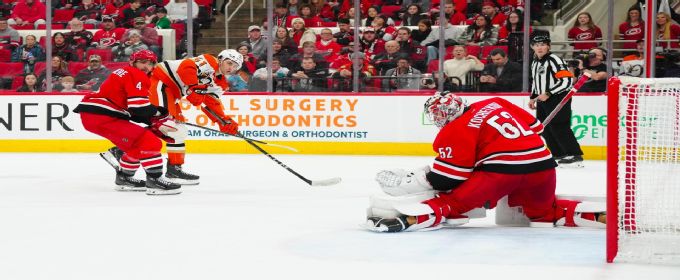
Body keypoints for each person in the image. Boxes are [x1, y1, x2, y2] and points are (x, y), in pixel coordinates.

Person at [365, 91, 604, 232]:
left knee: (451, 203)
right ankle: (601, 217)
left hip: (501, 174)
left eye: (437, 114)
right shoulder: (496, 101)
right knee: (544, 214)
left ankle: (407, 219)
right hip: (543, 167)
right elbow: (537, 127)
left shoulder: (454, 130)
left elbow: (450, 177)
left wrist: (416, 180)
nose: (437, 119)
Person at [101, 50, 243, 185]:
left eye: (235, 66)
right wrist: (194, 87)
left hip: (173, 94)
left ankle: (174, 169)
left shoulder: (221, 84)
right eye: (229, 63)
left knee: (178, 130)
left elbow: (211, 102)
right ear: (220, 59)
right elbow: (186, 68)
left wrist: (223, 120)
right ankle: (122, 150)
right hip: (161, 81)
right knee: (168, 125)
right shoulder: (209, 61)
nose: (231, 68)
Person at [74, 50, 182, 195]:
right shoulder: (136, 74)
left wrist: (154, 118)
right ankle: (155, 180)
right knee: (151, 142)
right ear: (133, 62)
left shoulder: (124, 72)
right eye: (142, 62)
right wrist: (159, 115)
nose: (146, 66)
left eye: (150, 63)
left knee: (136, 146)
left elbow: (134, 111)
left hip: (96, 115)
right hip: (102, 116)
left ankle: (125, 177)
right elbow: (139, 108)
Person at [529, 31, 584, 167]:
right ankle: (559, 154)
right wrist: (532, 98)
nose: (539, 47)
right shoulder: (535, 61)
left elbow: (566, 81)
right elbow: (536, 82)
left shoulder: (554, 59)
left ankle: (574, 155)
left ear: (548, 46)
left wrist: (548, 93)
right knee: (544, 127)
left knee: (559, 125)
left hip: (558, 97)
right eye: (536, 45)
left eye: (542, 44)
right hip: (543, 99)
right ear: (532, 47)